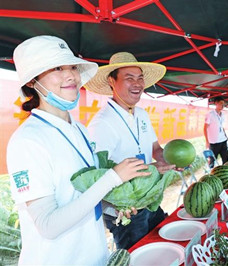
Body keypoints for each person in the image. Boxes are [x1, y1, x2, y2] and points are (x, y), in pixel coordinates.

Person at [6, 36, 150, 265]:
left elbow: (80, 195)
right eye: (57, 68)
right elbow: (48, 225)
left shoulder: (79, 129)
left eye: (72, 66)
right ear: (32, 81)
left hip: (94, 256)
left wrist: (113, 206)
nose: (71, 75)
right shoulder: (27, 140)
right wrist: (113, 178)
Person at [84, 52, 175, 250]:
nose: (137, 84)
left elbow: (156, 149)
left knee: (165, 245)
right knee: (137, 256)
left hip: (148, 200)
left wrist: (171, 159)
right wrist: (151, 169)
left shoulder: (141, 114)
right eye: (129, 78)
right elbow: (98, 176)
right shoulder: (101, 124)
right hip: (125, 211)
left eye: (140, 78)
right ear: (111, 81)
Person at [204, 96, 228, 167]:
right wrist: (207, 141)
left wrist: (225, 135)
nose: (222, 106)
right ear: (216, 103)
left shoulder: (223, 115)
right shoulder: (210, 114)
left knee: (226, 159)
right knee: (212, 161)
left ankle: (225, 175)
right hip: (214, 142)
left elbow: (221, 126)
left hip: (223, 140)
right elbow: (205, 128)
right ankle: (210, 175)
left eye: (223, 104)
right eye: (221, 103)